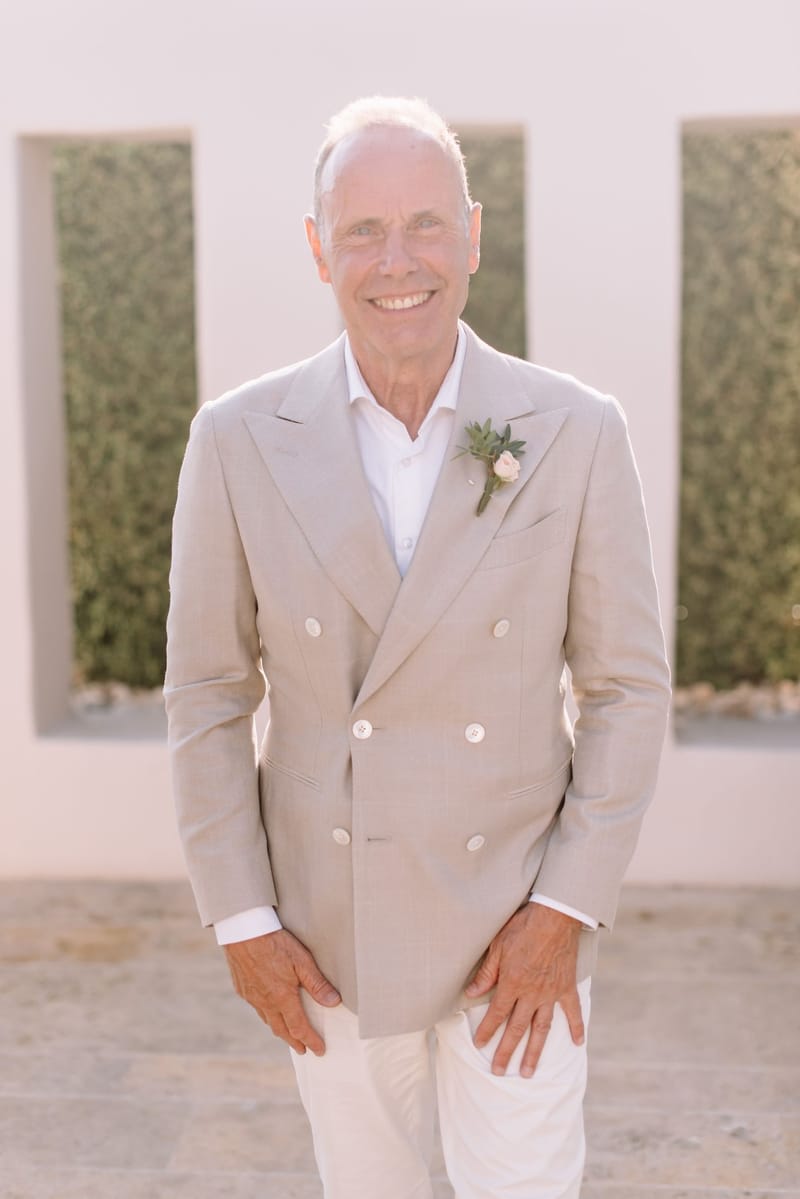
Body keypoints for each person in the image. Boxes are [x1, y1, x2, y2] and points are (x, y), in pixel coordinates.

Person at [164, 95, 670, 1199]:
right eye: (363, 230)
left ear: (472, 235)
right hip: (326, 933)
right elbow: (205, 692)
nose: (398, 261)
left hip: (516, 929)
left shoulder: (576, 430)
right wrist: (243, 920)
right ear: (318, 250)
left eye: (426, 224)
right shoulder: (237, 440)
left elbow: (627, 689)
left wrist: (564, 909)